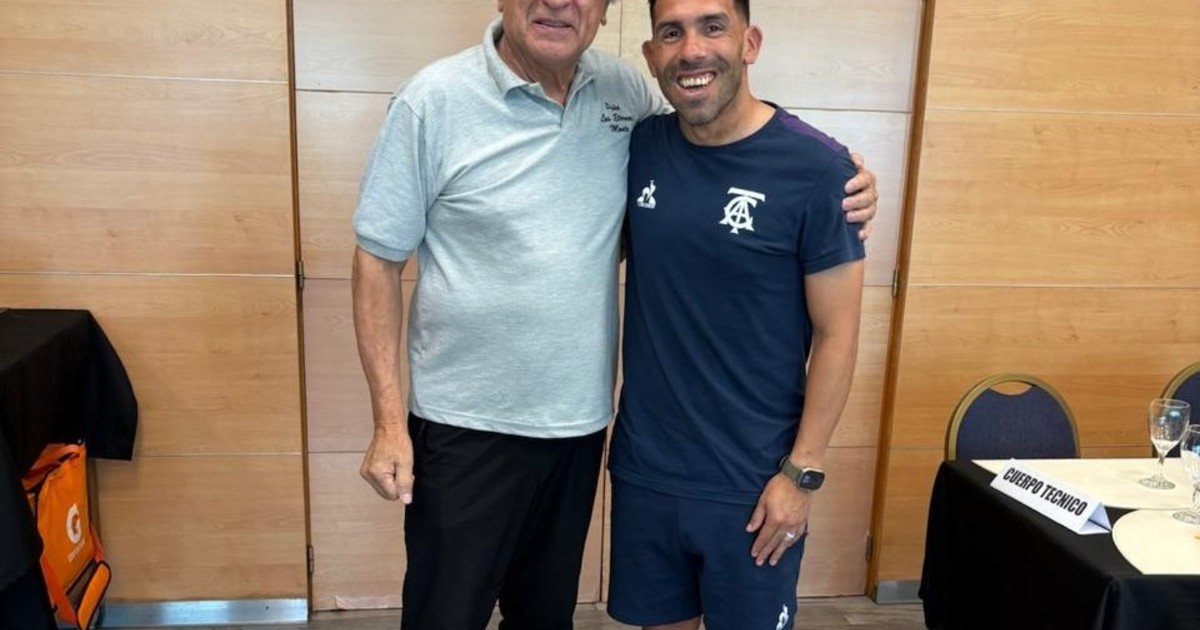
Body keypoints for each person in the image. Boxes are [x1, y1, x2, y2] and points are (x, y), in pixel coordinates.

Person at [350, 1, 877, 628]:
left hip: (579, 431)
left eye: (713, 27)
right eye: (674, 33)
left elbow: (720, 134)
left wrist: (841, 179)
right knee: (445, 615)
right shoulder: (433, 100)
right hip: (468, 428)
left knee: (544, 617)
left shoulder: (626, 95)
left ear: (603, 12)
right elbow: (376, 260)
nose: (558, 2)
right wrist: (388, 423)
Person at [606, 1, 867, 629]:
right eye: (672, 33)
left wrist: (801, 474)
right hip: (648, 470)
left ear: (749, 43)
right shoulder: (639, 148)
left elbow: (837, 334)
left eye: (713, 26)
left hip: (756, 484)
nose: (692, 50)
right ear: (652, 56)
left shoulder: (819, 170)